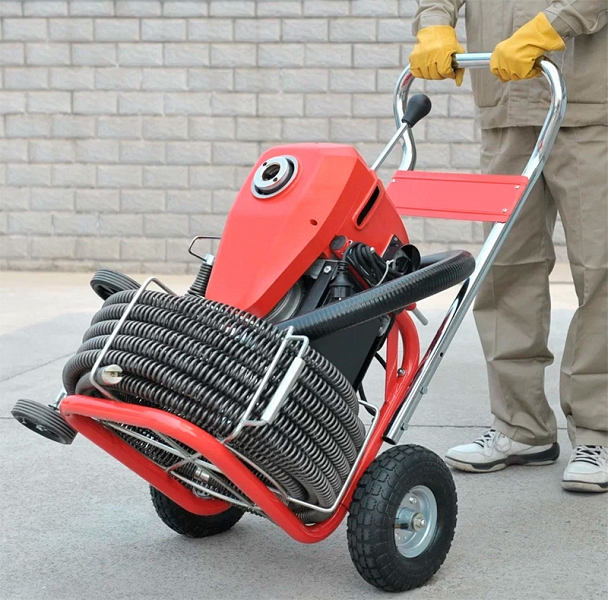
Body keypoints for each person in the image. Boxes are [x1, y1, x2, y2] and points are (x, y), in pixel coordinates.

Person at [409, 0, 607, 492]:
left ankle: (599, 432)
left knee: (600, 270)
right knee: (504, 272)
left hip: (588, 106)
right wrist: (434, 25)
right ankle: (521, 428)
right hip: (506, 106)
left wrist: (548, 28)